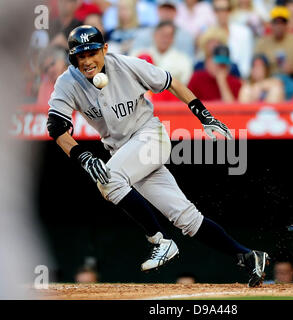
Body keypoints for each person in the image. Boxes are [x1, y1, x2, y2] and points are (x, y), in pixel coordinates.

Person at [46, 25, 269, 288]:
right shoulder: (68, 81)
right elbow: (56, 127)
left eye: (92, 53)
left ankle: (160, 241)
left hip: (150, 137)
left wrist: (203, 114)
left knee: (109, 178)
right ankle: (249, 256)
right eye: (80, 56)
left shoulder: (127, 65)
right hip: (125, 151)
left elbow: (170, 81)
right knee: (187, 218)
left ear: (104, 49)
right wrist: (82, 155)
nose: (86, 61)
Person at [255, 6, 293, 78]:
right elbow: (255, 66)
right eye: (276, 22)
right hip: (269, 79)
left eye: (282, 22)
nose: (279, 26)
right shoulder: (262, 43)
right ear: (271, 24)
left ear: (287, 24)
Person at [131, 21, 193, 85]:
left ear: (173, 38)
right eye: (162, 35)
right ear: (154, 35)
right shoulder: (138, 55)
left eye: (169, 36)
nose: (165, 39)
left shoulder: (183, 60)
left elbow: (185, 84)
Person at [131, 0, 195, 59]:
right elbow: (134, 58)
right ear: (157, 10)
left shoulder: (185, 36)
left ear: (176, 12)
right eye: (163, 9)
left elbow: (188, 61)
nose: (166, 13)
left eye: (170, 10)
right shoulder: (143, 34)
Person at [213, 0, 254, 79]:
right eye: (218, 10)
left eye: (225, 9)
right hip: (214, 79)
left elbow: (246, 66)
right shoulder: (208, 34)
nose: (222, 13)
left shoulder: (244, 33)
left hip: (237, 79)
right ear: (214, 12)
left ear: (230, 11)